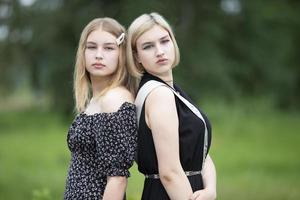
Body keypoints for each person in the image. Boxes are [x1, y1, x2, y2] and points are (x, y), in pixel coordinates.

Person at [126, 13, 217, 200]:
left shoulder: (172, 90)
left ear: (173, 43)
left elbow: (200, 151)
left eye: (164, 41)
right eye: (148, 46)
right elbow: (169, 173)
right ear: (137, 56)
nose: (159, 51)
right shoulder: (159, 94)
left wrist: (211, 188)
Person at [64, 17, 137, 200]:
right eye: (91, 47)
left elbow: (118, 179)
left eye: (109, 48)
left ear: (121, 53)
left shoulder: (114, 99)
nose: (98, 55)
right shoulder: (96, 100)